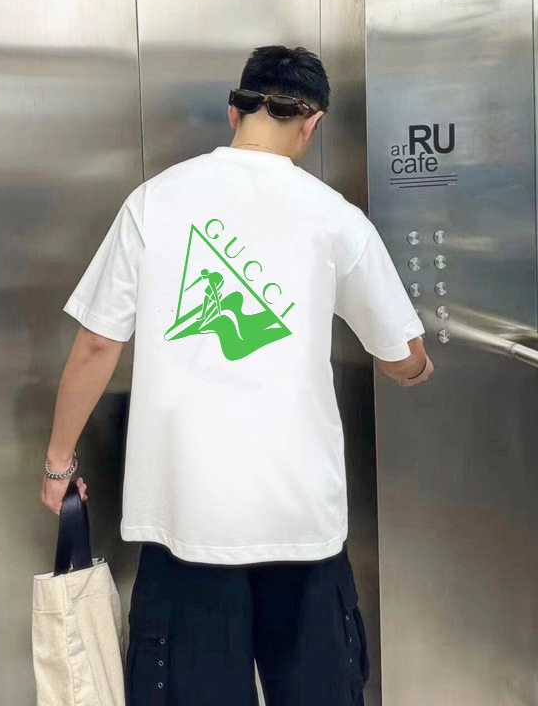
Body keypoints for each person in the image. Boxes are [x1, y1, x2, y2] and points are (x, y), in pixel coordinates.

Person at [41, 45, 434, 706]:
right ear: (312, 123)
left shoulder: (153, 202)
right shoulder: (335, 216)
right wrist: (418, 367)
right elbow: (400, 354)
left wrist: (58, 465)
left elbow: (96, 344)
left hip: (186, 520)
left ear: (234, 111)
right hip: (302, 523)